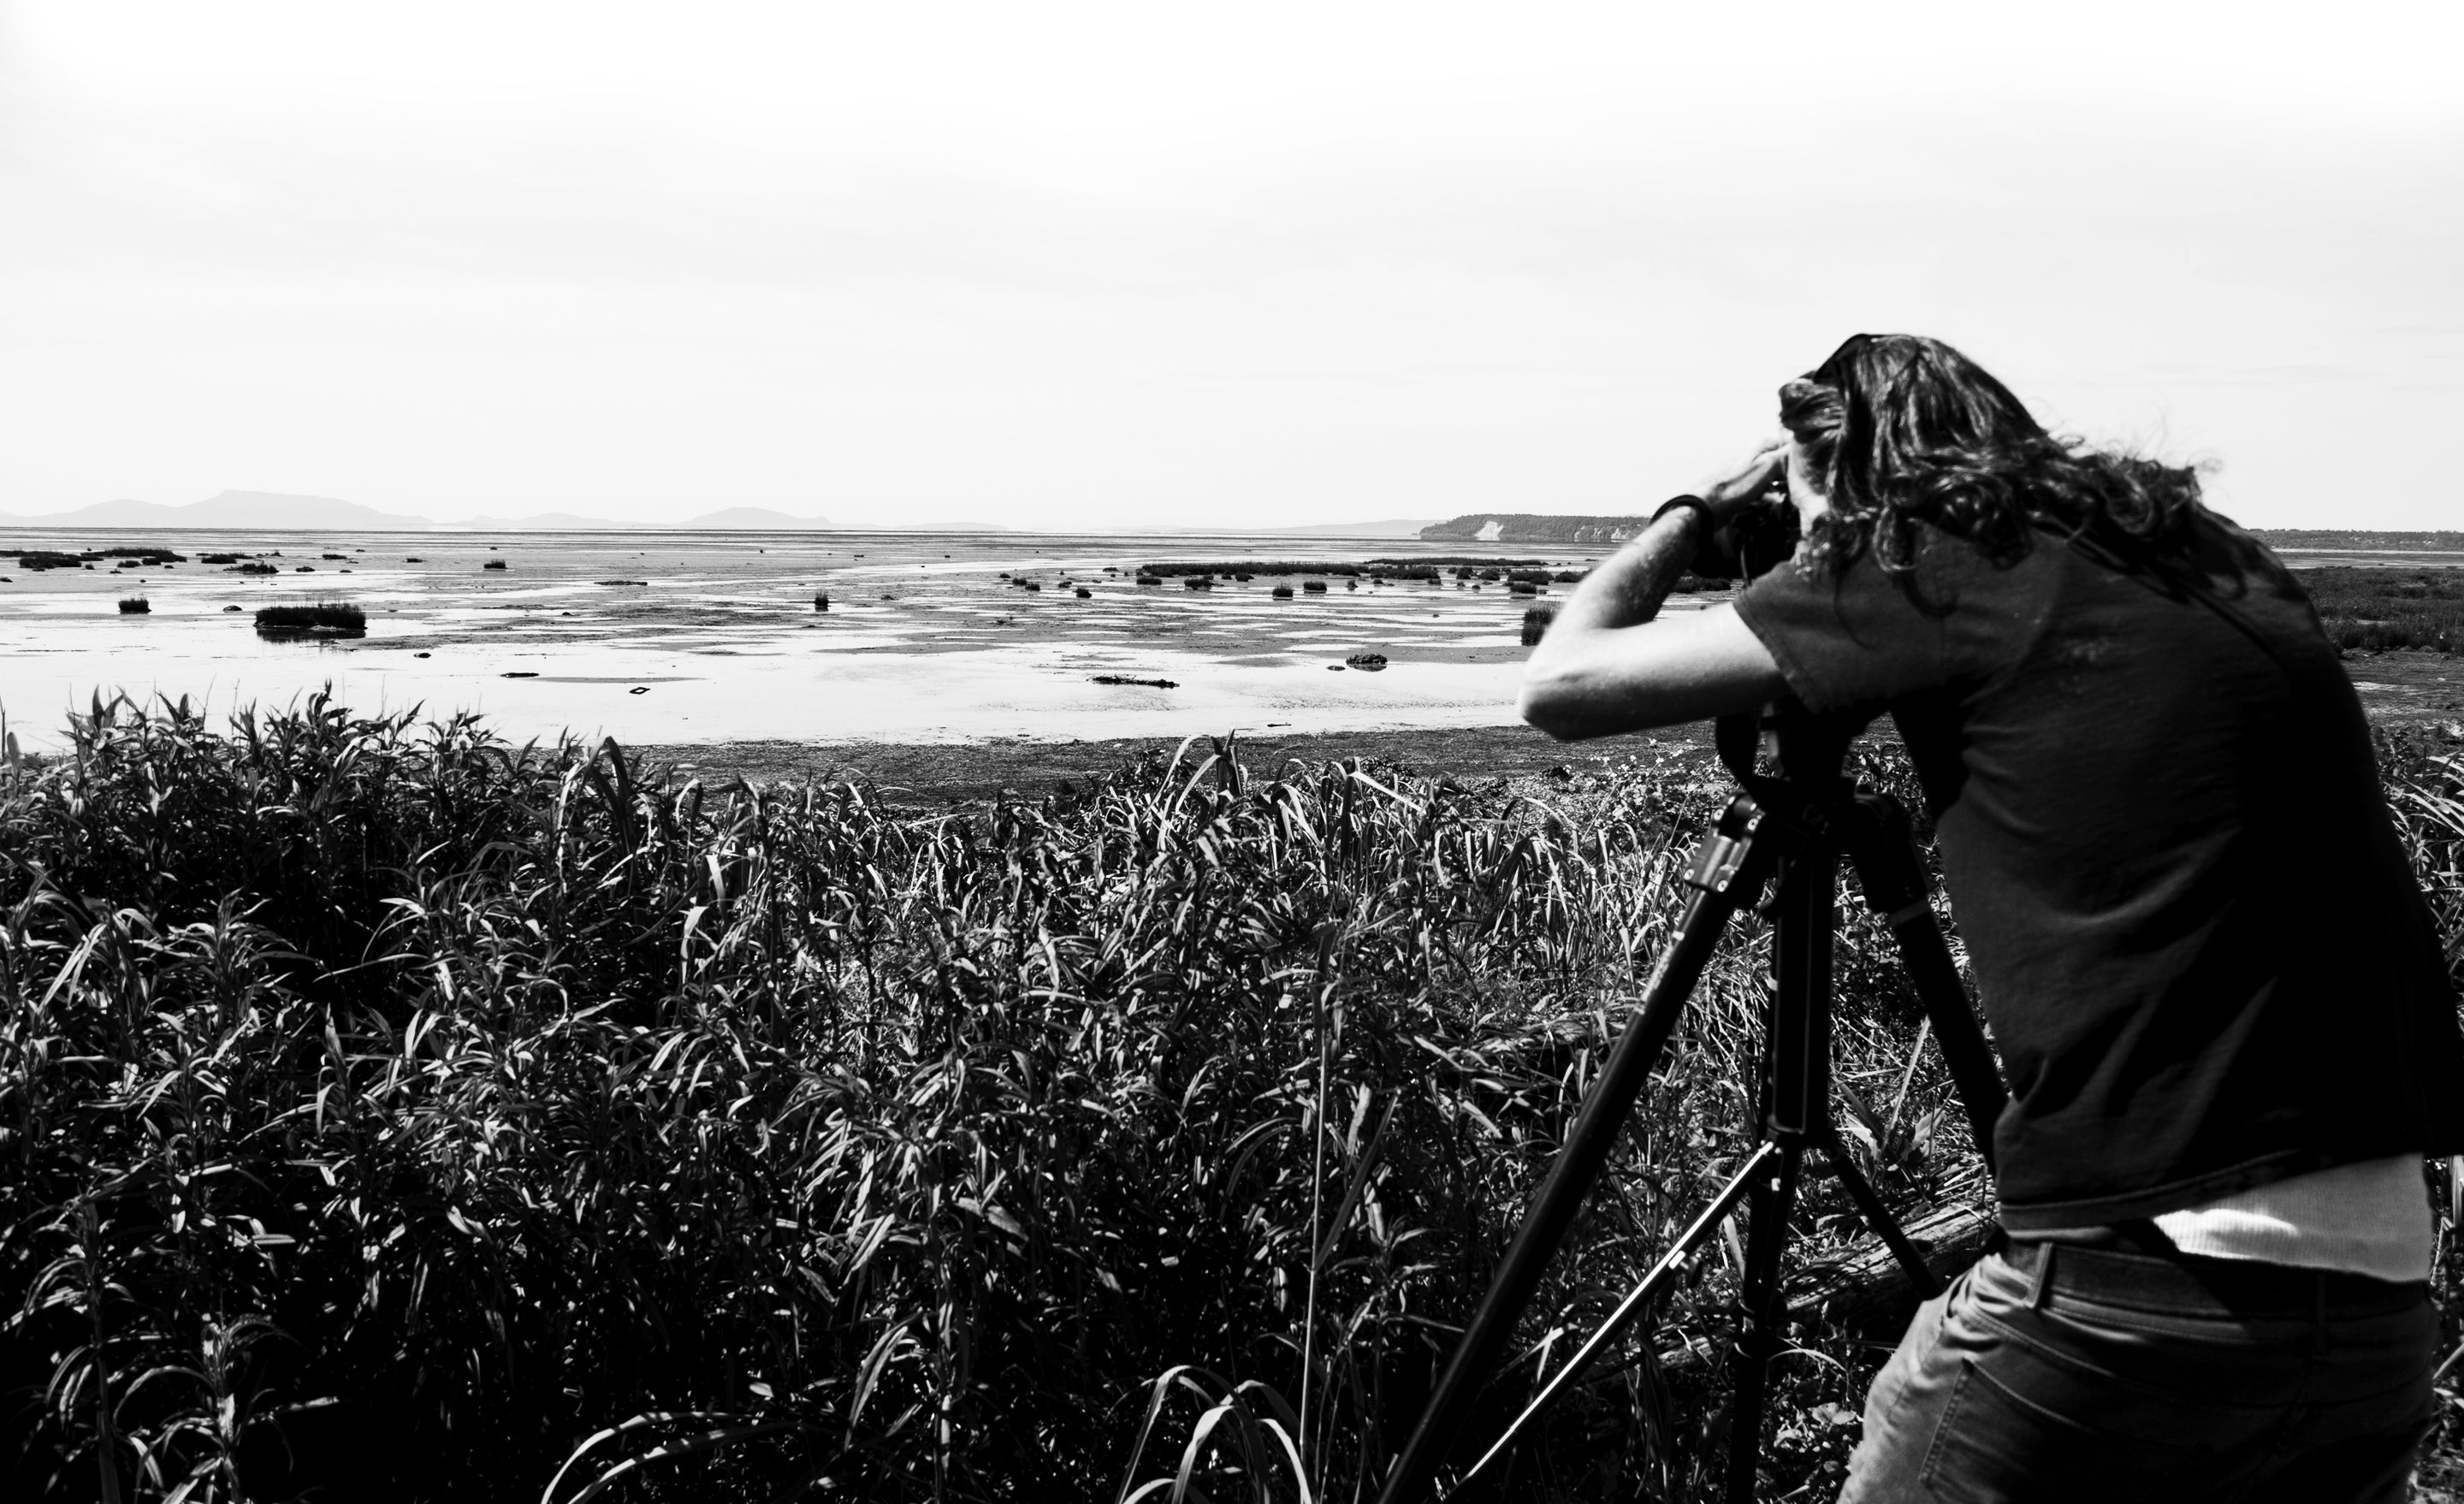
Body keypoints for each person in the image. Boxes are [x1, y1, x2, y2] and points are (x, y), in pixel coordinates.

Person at [1519, 333, 2464, 1502]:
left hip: (2141, 1305)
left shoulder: (1921, 558)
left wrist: (1697, 515)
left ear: (1851, 472)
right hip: (2382, 1322)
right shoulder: (2211, 557)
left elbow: (1558, 684)